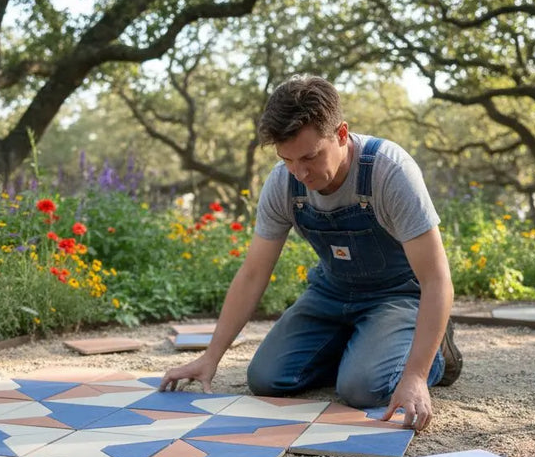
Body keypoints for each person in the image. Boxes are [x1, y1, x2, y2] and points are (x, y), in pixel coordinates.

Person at [159, 75, 461, 431]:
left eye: (310, 156)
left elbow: (436, 278)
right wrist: (211, 358)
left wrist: (415, 375)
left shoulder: (389, 172)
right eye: (286, 159)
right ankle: (365, 346)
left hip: (397, 295)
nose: (299, 172)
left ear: (342, 134)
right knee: (266, 379)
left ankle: (435, 352)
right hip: (331, 294)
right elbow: (254, 273)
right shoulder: (283, 183)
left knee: (363, 388)